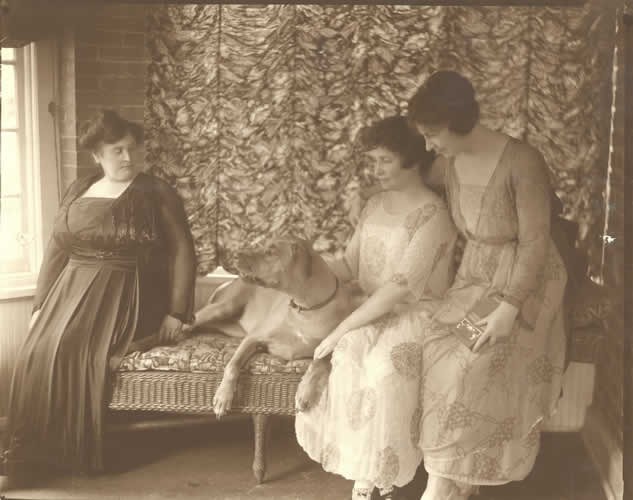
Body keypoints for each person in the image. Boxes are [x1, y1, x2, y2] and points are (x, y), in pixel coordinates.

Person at [3, 109, 197, 485]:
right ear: (97, 155)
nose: (128, 158)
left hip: (127, 292)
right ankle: (27, 452)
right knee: (35, 350)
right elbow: (57, 248)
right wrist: (40, 305)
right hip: (71, 290)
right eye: (117, 150)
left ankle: (59, 454)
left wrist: (177, 311)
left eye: (132, 149)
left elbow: (182, 250)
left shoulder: (155, 192)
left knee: (76, 347)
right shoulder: (79, 190)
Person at [407, 70, 567, 499]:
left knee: (465, 363)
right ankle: (456, 480)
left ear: (459, 122)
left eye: (433, 133)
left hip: (525, 285)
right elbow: (420, 193)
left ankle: (444, 486)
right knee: (430, 351)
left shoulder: (522, 161)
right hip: (477, 280)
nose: (428, 145)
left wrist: (508, 309)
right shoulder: (449, 162)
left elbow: (535, 242)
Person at [295, 116, 458, 500]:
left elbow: (400, 288)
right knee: (350, 357)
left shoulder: (434, 215)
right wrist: (304, 270)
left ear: (412, 159)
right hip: (369, 311)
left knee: (385, 368)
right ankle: (365, 475)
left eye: (384, 160)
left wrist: (338, 331)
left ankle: (385, 476)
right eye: (373, 160)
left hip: (416, 314)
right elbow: (350, 265)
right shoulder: (374, 204)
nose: (375, 169)